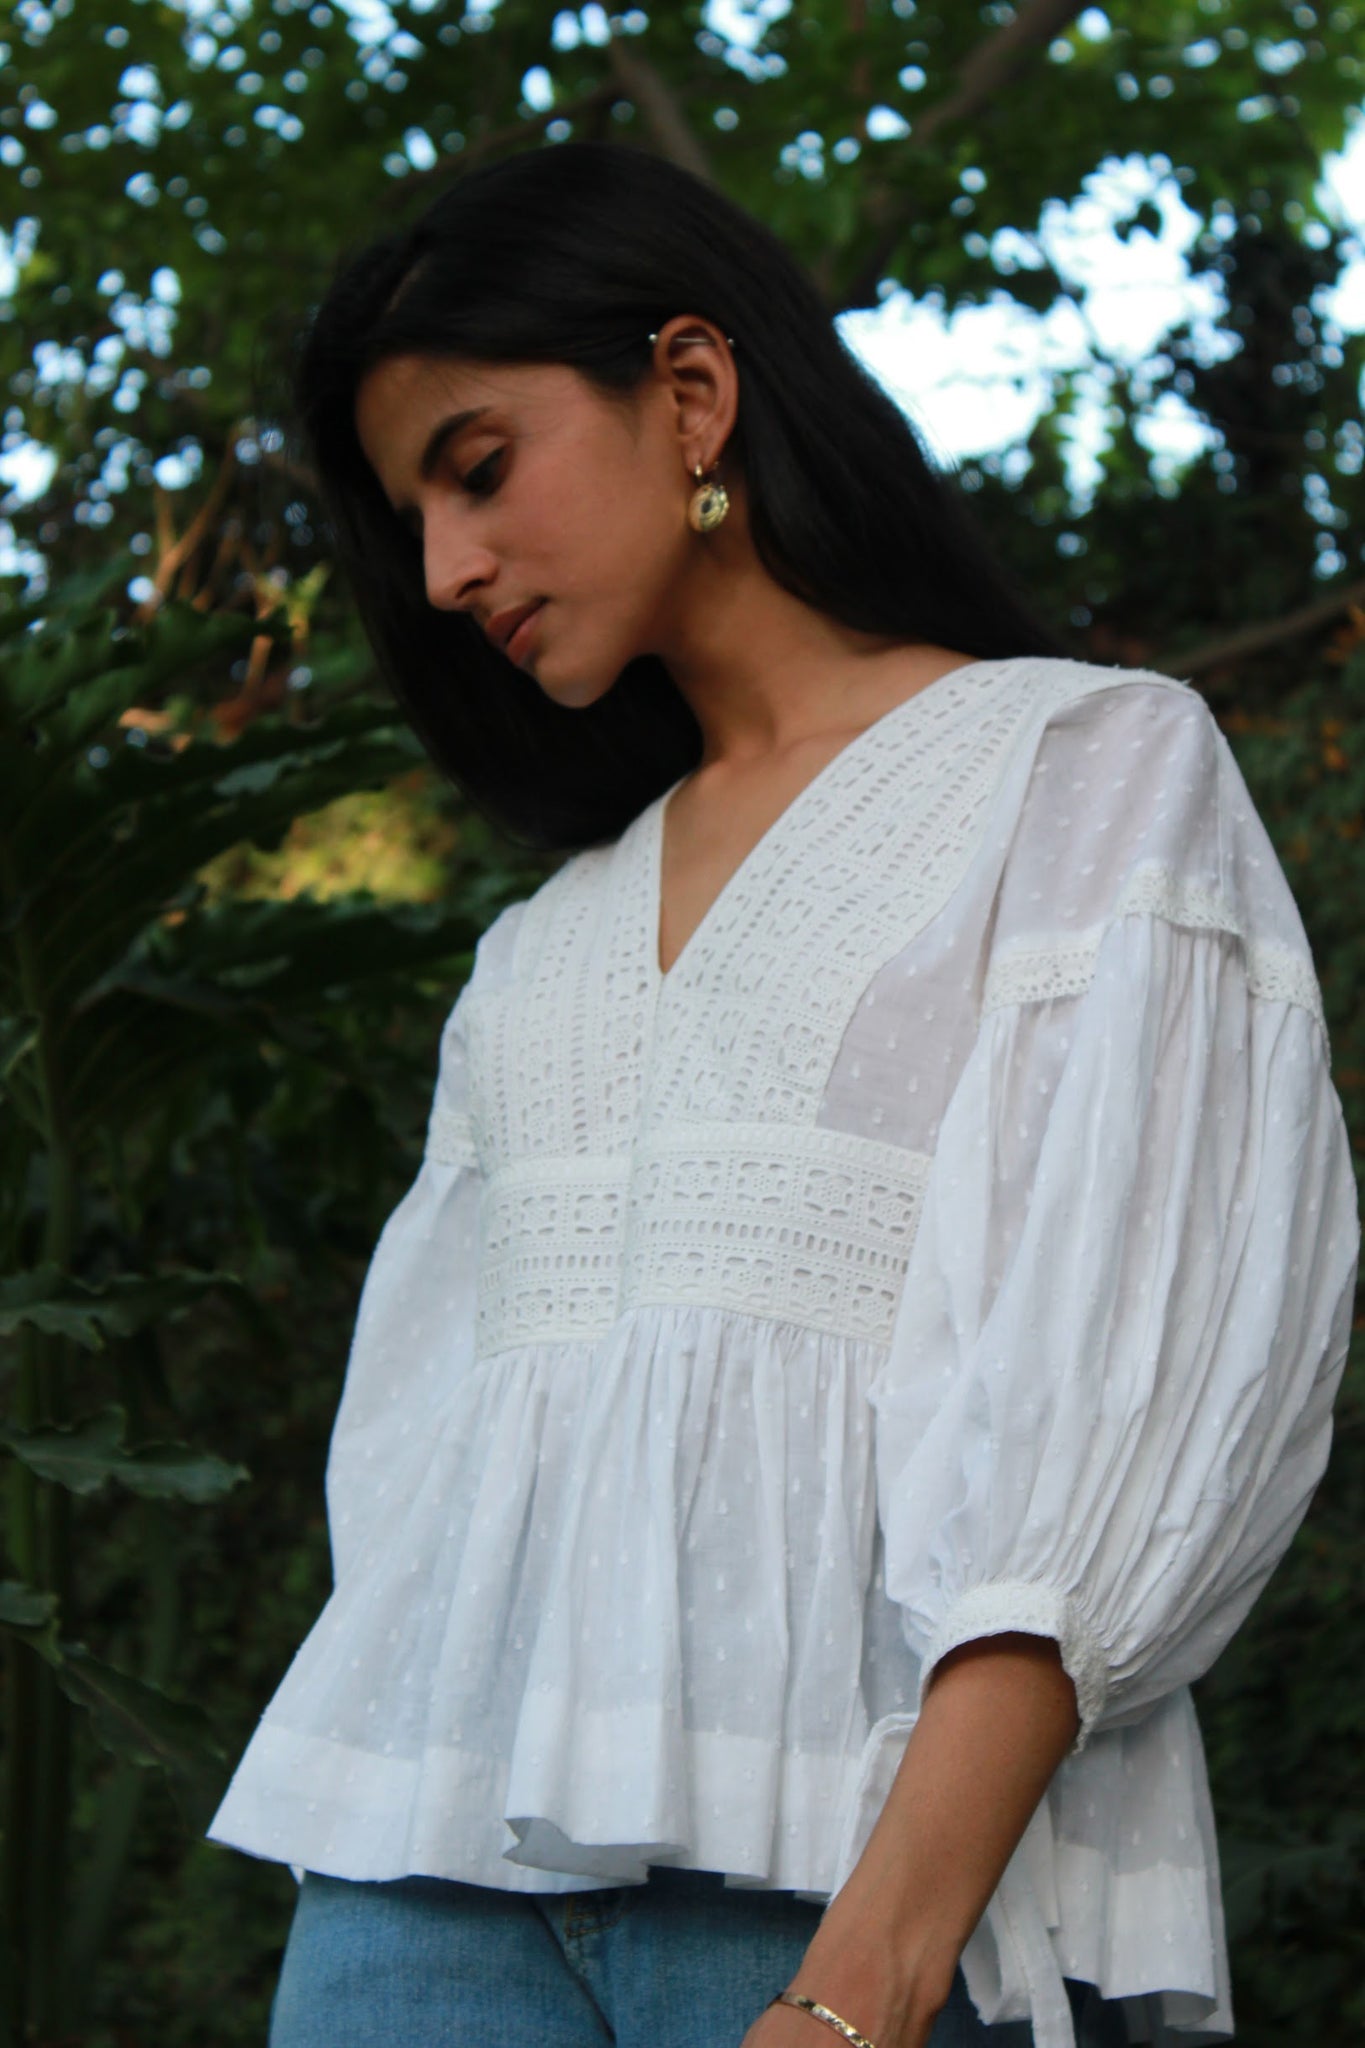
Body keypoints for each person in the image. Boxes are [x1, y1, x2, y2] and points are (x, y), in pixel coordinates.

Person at [207, 142, 1359, 2048]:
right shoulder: (534, 953)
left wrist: (865, 1980)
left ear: (689, 391)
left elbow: (1127, 1395)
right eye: (413, 516)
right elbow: (414, 1498)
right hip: (408, 1912)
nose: (442, 570)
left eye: (478, 468)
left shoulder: (1082, 769)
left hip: (852, 1905)